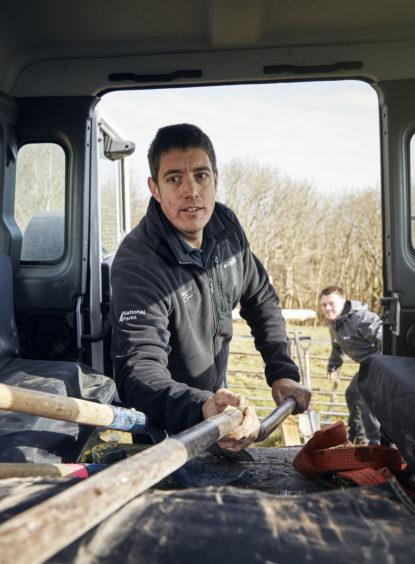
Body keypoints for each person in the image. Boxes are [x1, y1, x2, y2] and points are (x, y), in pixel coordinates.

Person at [110, 123, 311, 451]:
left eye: (201, 176)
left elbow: (260, 298)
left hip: (215, 393)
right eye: (174, 179)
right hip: (163, 412)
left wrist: (281, 372)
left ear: (215, 179)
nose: (192, 191)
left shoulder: (226, 229)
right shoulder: (138, 263)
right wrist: (201, 408)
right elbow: (139, 369)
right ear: (155, 188)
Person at [319, 285, 383, 445]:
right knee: (352, 394)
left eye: (331, 303)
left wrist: (381, 368)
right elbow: (337, 345)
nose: (327, 308)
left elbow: (385, 341)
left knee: (365, 399)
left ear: (343, 302)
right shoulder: (334, 322)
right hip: (367, 365)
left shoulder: (362, 318)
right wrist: (333, 366)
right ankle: (357, 438)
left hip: (381, 363)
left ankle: (377, 443)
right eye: (323, 304)